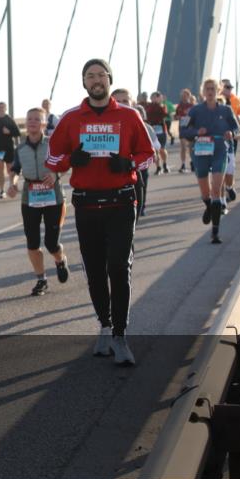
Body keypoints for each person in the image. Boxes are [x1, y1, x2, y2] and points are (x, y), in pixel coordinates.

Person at [46, 59, 155, 365]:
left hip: (120, 202)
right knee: (95, 271)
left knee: (119, 267)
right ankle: (105, 326)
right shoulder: (70, 118)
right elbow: (52, 160)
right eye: (90, 76)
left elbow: (148, 155)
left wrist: (130, 163)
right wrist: (72, 159)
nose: (96, 80)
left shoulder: (129, 116)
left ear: (109, 79)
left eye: (101, 75)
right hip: (87, 204)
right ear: (84, 83)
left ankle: (120, 335)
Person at [6, 107, 70, 295]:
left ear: (43, 123)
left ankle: (60, 260)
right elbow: (15, 169)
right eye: (29, 119)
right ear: (25, 123)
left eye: (36, 119)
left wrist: (55, 173)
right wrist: (13, 184)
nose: (32, 122)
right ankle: (41, 279)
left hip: (54, 198)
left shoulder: (53, 144)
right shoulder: (21, 148)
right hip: (30, 198)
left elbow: (66, 162)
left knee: (51, 243)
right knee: (32, 243)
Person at [181, 79, 239, 244]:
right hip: (201, 152)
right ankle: (208, 206)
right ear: (203, 92)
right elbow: (184, 130)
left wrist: (231, 133)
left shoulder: (226, 110)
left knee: (216, 189)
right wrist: (196, 131)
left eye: (213, 88)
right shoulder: (195, 111)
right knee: (205, 192)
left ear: (218, 91)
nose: (210, 91)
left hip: (220, 150)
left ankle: (215, 232)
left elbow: (237, 128)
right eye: (207, 89)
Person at [112, 89, 154, 220]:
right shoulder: (99, 123)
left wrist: (130, 163)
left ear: (132, 103)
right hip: (105, 185)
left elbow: (149, 154)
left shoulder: (139, 124)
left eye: (125, 101)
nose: (122, 104)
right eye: (117, 101)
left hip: (131, 180)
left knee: (128, 232)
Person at [0, 101, 21, 198]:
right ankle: (2, 190)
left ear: (5, 109)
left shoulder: (9, 120)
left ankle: (12, 186)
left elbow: (17, 132)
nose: (0, 109)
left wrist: (9, 131)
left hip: (9, 148)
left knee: (10, 170)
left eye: (2, 107)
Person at [221, 80, 240, 202]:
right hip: (218, 138)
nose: (228, 89)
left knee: (230, 166)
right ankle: (221, 197)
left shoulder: (235, 99)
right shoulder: (214, 100)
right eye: (226, 87)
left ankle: (229, 186)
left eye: (230, 87)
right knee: (219, 167)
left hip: (231, 137)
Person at [141, 92, 170, 174]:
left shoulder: (162, 106)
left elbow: (165, 115)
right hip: (152, 129)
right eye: (152, 97)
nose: (153, 99)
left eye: (155, 97)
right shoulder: (148, 106)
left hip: (161, 129)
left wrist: (161, 104)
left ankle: (164, 164)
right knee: (155, 150)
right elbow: (145, 116)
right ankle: (158, 167)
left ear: (159, 98)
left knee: (162, 149)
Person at [175, 89, 196, 173]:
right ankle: (183, 164)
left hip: (190, 128)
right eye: (182, 95)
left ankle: (192, 162)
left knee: (191, 147)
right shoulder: (179, 106)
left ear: (188, 96)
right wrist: (178, 117)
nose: (183, 97)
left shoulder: (192, 106)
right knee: (183, 147)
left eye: (185, 95)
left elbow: (195, 117)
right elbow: (176, 116)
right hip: (182, 128)